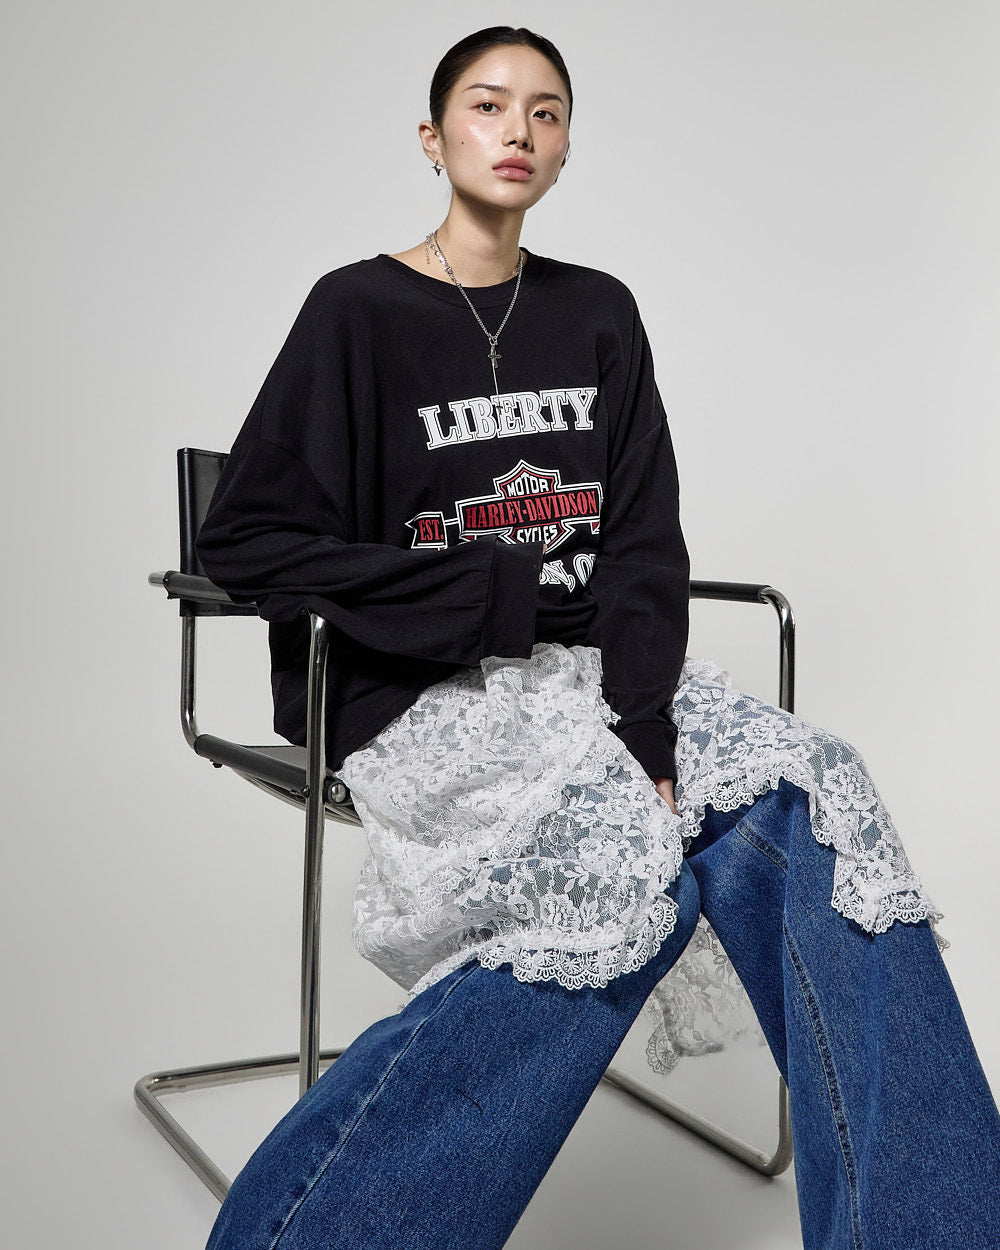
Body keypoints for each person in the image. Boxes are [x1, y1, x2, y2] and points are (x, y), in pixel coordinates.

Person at [194, 25, 1000, 1250]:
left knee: (815, 791)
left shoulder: (597, 311)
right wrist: (485, 592)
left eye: (546, 111)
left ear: (566, 147)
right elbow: (248, 540)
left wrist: (646, 725)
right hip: (420, 692)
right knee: (629, 875)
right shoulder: (354, 310)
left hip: (590, 678)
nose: (517, 130)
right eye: (487, 104)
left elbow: (641, 542)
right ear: (432, 138)